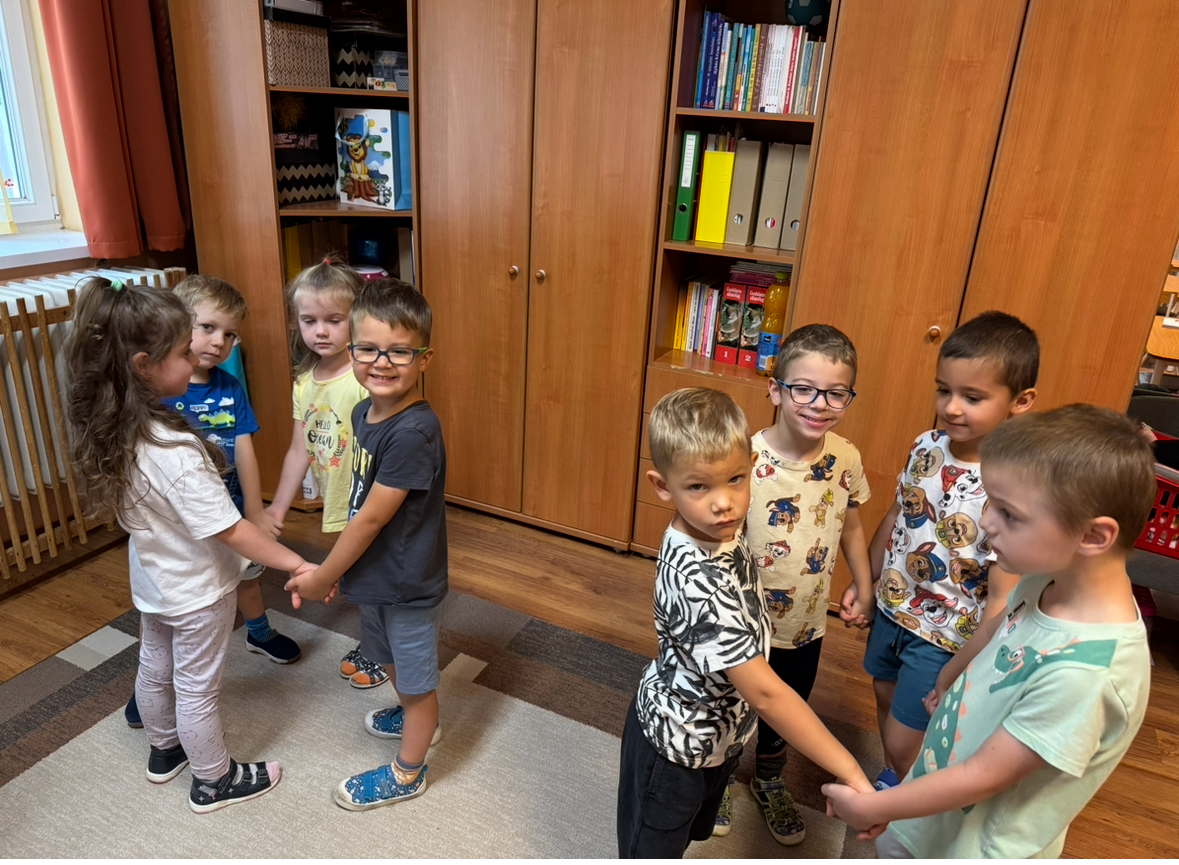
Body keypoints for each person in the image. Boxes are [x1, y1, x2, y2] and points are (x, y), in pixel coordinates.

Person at [824, 405, 1154, 858]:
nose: (986, 524)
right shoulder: (1049, 579)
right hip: (930, 807)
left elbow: (981, 777)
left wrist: (876, 806)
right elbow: (999, 629)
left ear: (1093, 537)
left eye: (1009, 514)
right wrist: (948, 678)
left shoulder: (1088, 675)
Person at [63, 277, 317, 812]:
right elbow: (231, 530)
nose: (195, 357)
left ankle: (164, 751)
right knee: (196, 688)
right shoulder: (175, 450)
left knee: (154, 666)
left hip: (156, 582)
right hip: (198, 591)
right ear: (144, 365)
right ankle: (214, 780)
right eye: (183, 352)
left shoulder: (122, 428)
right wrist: (296, 562)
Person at [615, 387, 873, 858]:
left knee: (688, 837)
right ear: (662, 486)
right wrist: (850, 768)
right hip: (675, 751)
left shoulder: (718, 531)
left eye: (735, 479)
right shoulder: (699, 584)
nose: (724, 503)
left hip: (721, 740)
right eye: (699, 486)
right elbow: (768, 694)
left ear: (752, 465)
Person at [284, 279, 448, 811]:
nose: (381, 362)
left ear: (424, 359)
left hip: (406, 582)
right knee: (385, 653)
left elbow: (372, 518)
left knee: (418, 683)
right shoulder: (364, 414)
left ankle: (409, 771)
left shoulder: (413, 433)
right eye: (369, 349)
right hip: (378, 575)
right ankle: (413, 715)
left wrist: (325, 574)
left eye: (399, 351)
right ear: (352, 351)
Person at [713, 325, 875, 845]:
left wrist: (864, 585)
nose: (819, 404)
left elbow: (851, 525)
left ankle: (769, 780)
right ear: (776, 389)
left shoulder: (845, 458)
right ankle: (719, 779)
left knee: (790, 707)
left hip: (805, 624)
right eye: (803, 389)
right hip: (742, 624)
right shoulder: (744, 458)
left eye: (835, 393)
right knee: (733, 704)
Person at [863, 310, 1038, 790]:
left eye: (972, 397)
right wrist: (865, 582)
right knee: (883, 693)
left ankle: (911, 802)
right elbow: (898, 516)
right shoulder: (926, 446)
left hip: (944, 635)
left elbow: (1001, 600)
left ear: (1020, 401)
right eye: (944, 390)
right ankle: (899, 780)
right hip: (892, 608)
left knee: (908, 736)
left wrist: (956, 671)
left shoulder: (1014, 484)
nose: (952, 407)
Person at [262, 259, 386, 688]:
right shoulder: (304, 382)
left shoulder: (365, 374)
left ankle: (381, 649)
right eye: (309, 320)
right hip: (338, 499)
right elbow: (299, 448)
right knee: (363, 576)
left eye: (334, 320)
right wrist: (278, 507)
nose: (320, 331)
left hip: (372, 498)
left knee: (374, 577)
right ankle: (377, 640)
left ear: (356, 318)